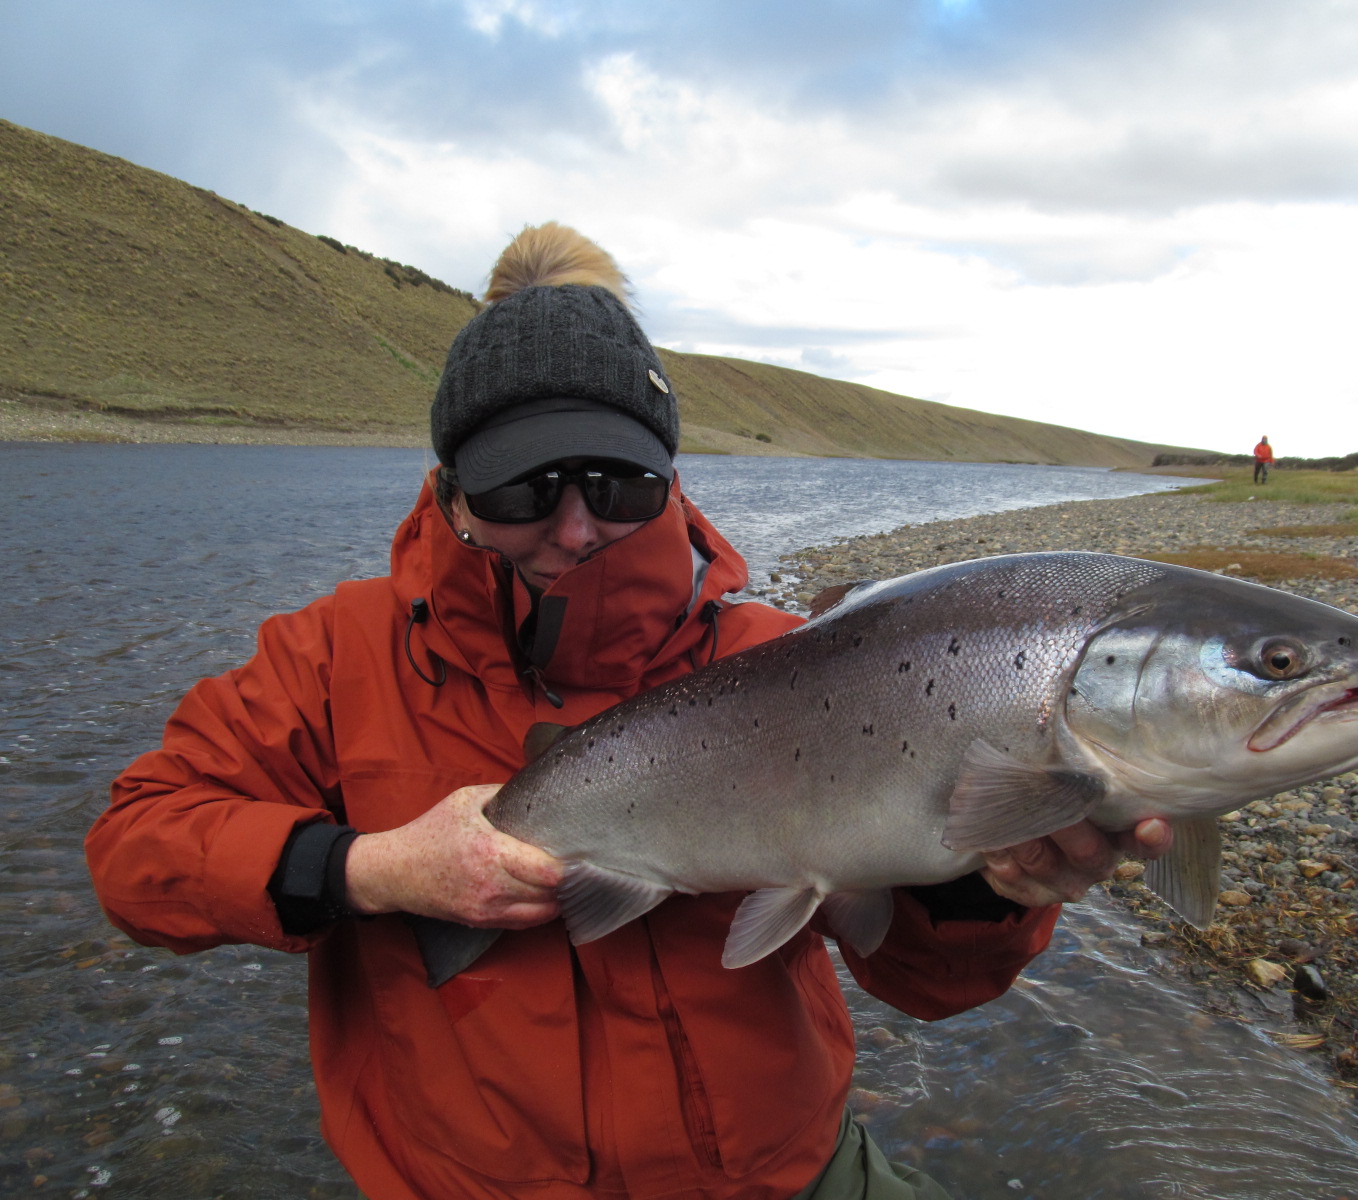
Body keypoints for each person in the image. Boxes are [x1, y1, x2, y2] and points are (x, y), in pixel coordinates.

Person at [85, 223, 1171, 1200]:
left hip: (781, 1178)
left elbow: (930, 986)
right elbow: (136, 854)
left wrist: (988, 889)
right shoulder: (330, 658)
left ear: (669, 474)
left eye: (614, 484)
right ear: (453, 490)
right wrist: (372, 870)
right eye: (522, 489)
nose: (572, 529)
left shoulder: (788, 661)